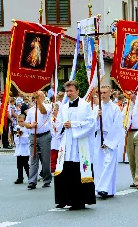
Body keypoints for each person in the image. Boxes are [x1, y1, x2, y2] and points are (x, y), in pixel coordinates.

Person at [54, 80, 96, 211]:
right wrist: (59, 124)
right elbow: (59, 122)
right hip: (66, 142)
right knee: (64, 169)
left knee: (78, 170)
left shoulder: (85, 106)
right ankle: (63, 199)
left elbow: (90, 123)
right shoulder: (64, 106)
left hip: (79, 144)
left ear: (77, 91)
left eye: (71, 91)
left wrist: (74, 124)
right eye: (67, 91)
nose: (68, 93)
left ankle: (78, 201)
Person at [94, 85, 124, 199]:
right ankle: (100, 187)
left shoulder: (115, 108)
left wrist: (108, 141)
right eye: (101, 93)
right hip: (99, 137)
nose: (103, 95)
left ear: (110, 92)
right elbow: (92, 125)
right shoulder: (97, 108)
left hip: (110, 138)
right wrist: (96, 117)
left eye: (105, 92)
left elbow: (117, 126)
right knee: (99, 163)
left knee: (108, 164)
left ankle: (105, 188)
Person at [25, 91, 52, 190]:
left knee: (45, 160)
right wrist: (31, 125)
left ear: (43, 97)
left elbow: (43, 111)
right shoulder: (31, 110)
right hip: (34, 136)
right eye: (37, 96)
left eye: (40, 96)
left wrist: (38, 100)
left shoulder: (47, 106)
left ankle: (47, 179)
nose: (38, 97)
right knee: (33, 159)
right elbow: (26, 124)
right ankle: (32, 181)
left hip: (44, 136)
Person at [14, 114, 30, 184]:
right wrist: (18, 136)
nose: (20, 123)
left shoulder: (27, 128)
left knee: (26, 164)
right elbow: (16, 140)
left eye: (22, 121)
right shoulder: (17, 127)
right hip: (19, 148)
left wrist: (22, 135)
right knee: (19, 164)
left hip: (25, 149)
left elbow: (28, 139)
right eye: (19, 121)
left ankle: (30, 177)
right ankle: (20, 177)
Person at [50, 104, 62, 174]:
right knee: (53, 155)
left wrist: (56, 127)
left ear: (58, 110)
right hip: (53, 139)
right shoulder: (51, 119)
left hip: (59, 139)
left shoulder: (60, 119)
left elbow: (59, 128)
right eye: (52, 110)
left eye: (54, 110)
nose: (53, 112)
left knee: (59, 155)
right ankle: (52, 169)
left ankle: (59, 168)